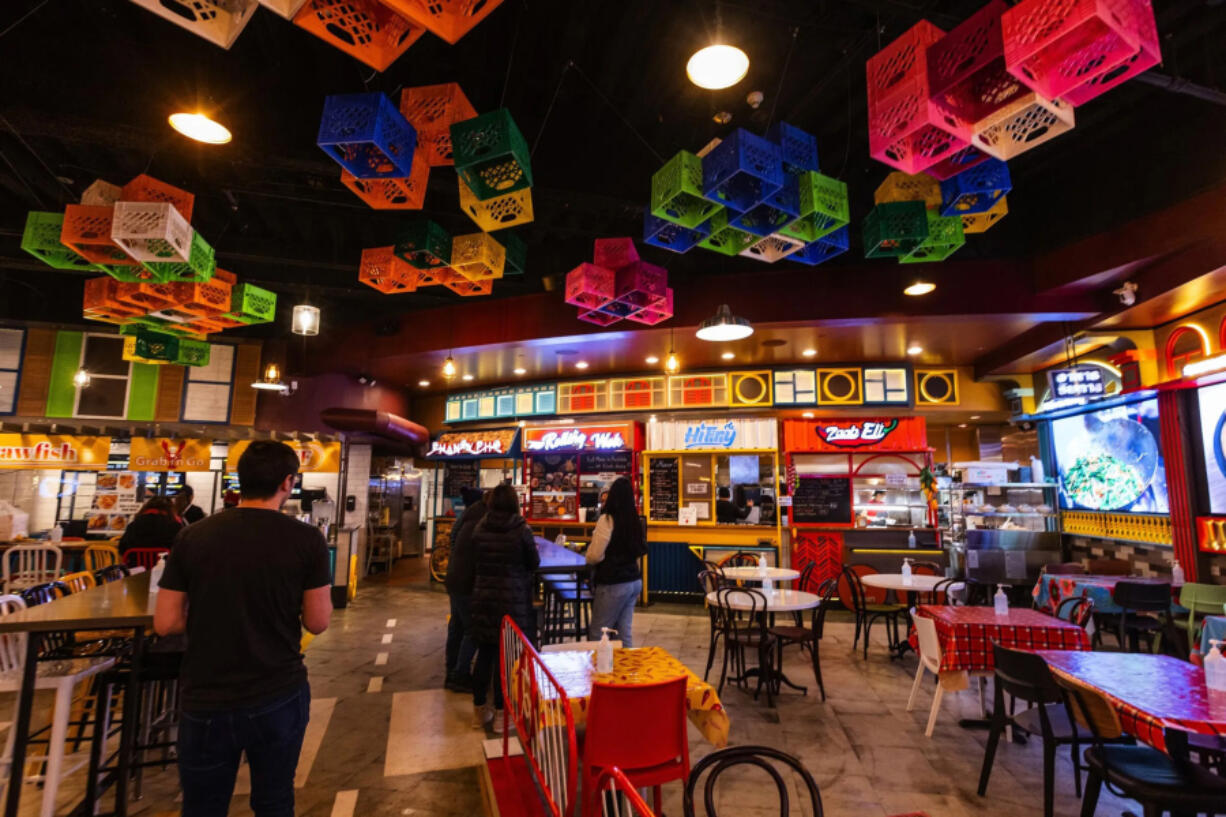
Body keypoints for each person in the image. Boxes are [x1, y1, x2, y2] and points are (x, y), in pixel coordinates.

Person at [154, 440, 332, 817]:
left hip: (206, 695)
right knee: (274, 801)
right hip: (278, 691)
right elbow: (318, 622)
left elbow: (166, 622)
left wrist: (210, 613)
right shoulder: (306, 540)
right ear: (288, 482)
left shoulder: (192, 536)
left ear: (240, 480)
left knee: (203, 806)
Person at [467, 483, 538, 729]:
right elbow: (533, 562)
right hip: (511, 601)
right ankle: (500, 715)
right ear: (514, 503)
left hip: (483, 599)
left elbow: (475, 560)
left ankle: (479, 711)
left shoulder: (479, 528)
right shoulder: (521, 530)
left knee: (484, 655)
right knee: (505, 660)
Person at [586, 476, 647, 648]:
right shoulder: (635, 520)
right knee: (623, 634)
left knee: (599, 633)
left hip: (613, 583)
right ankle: (627, 672)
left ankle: (600, 672)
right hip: (634, 581)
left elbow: (594, 556)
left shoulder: (607, 520)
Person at [443, 487, 486, 693]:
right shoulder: (480, 521)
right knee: (473, 629)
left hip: (455, 578)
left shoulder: (466, 518)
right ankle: (459, 674)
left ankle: (451, 670)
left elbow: (455, 545)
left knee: (458, 625)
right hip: (465, 581)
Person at [118, 495, 184, 556]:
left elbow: (122, 548)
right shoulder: (175, 526)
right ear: (170, 509)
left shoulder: (134, 524)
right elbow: (182, 550)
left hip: (137, 566)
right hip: (165, 567)